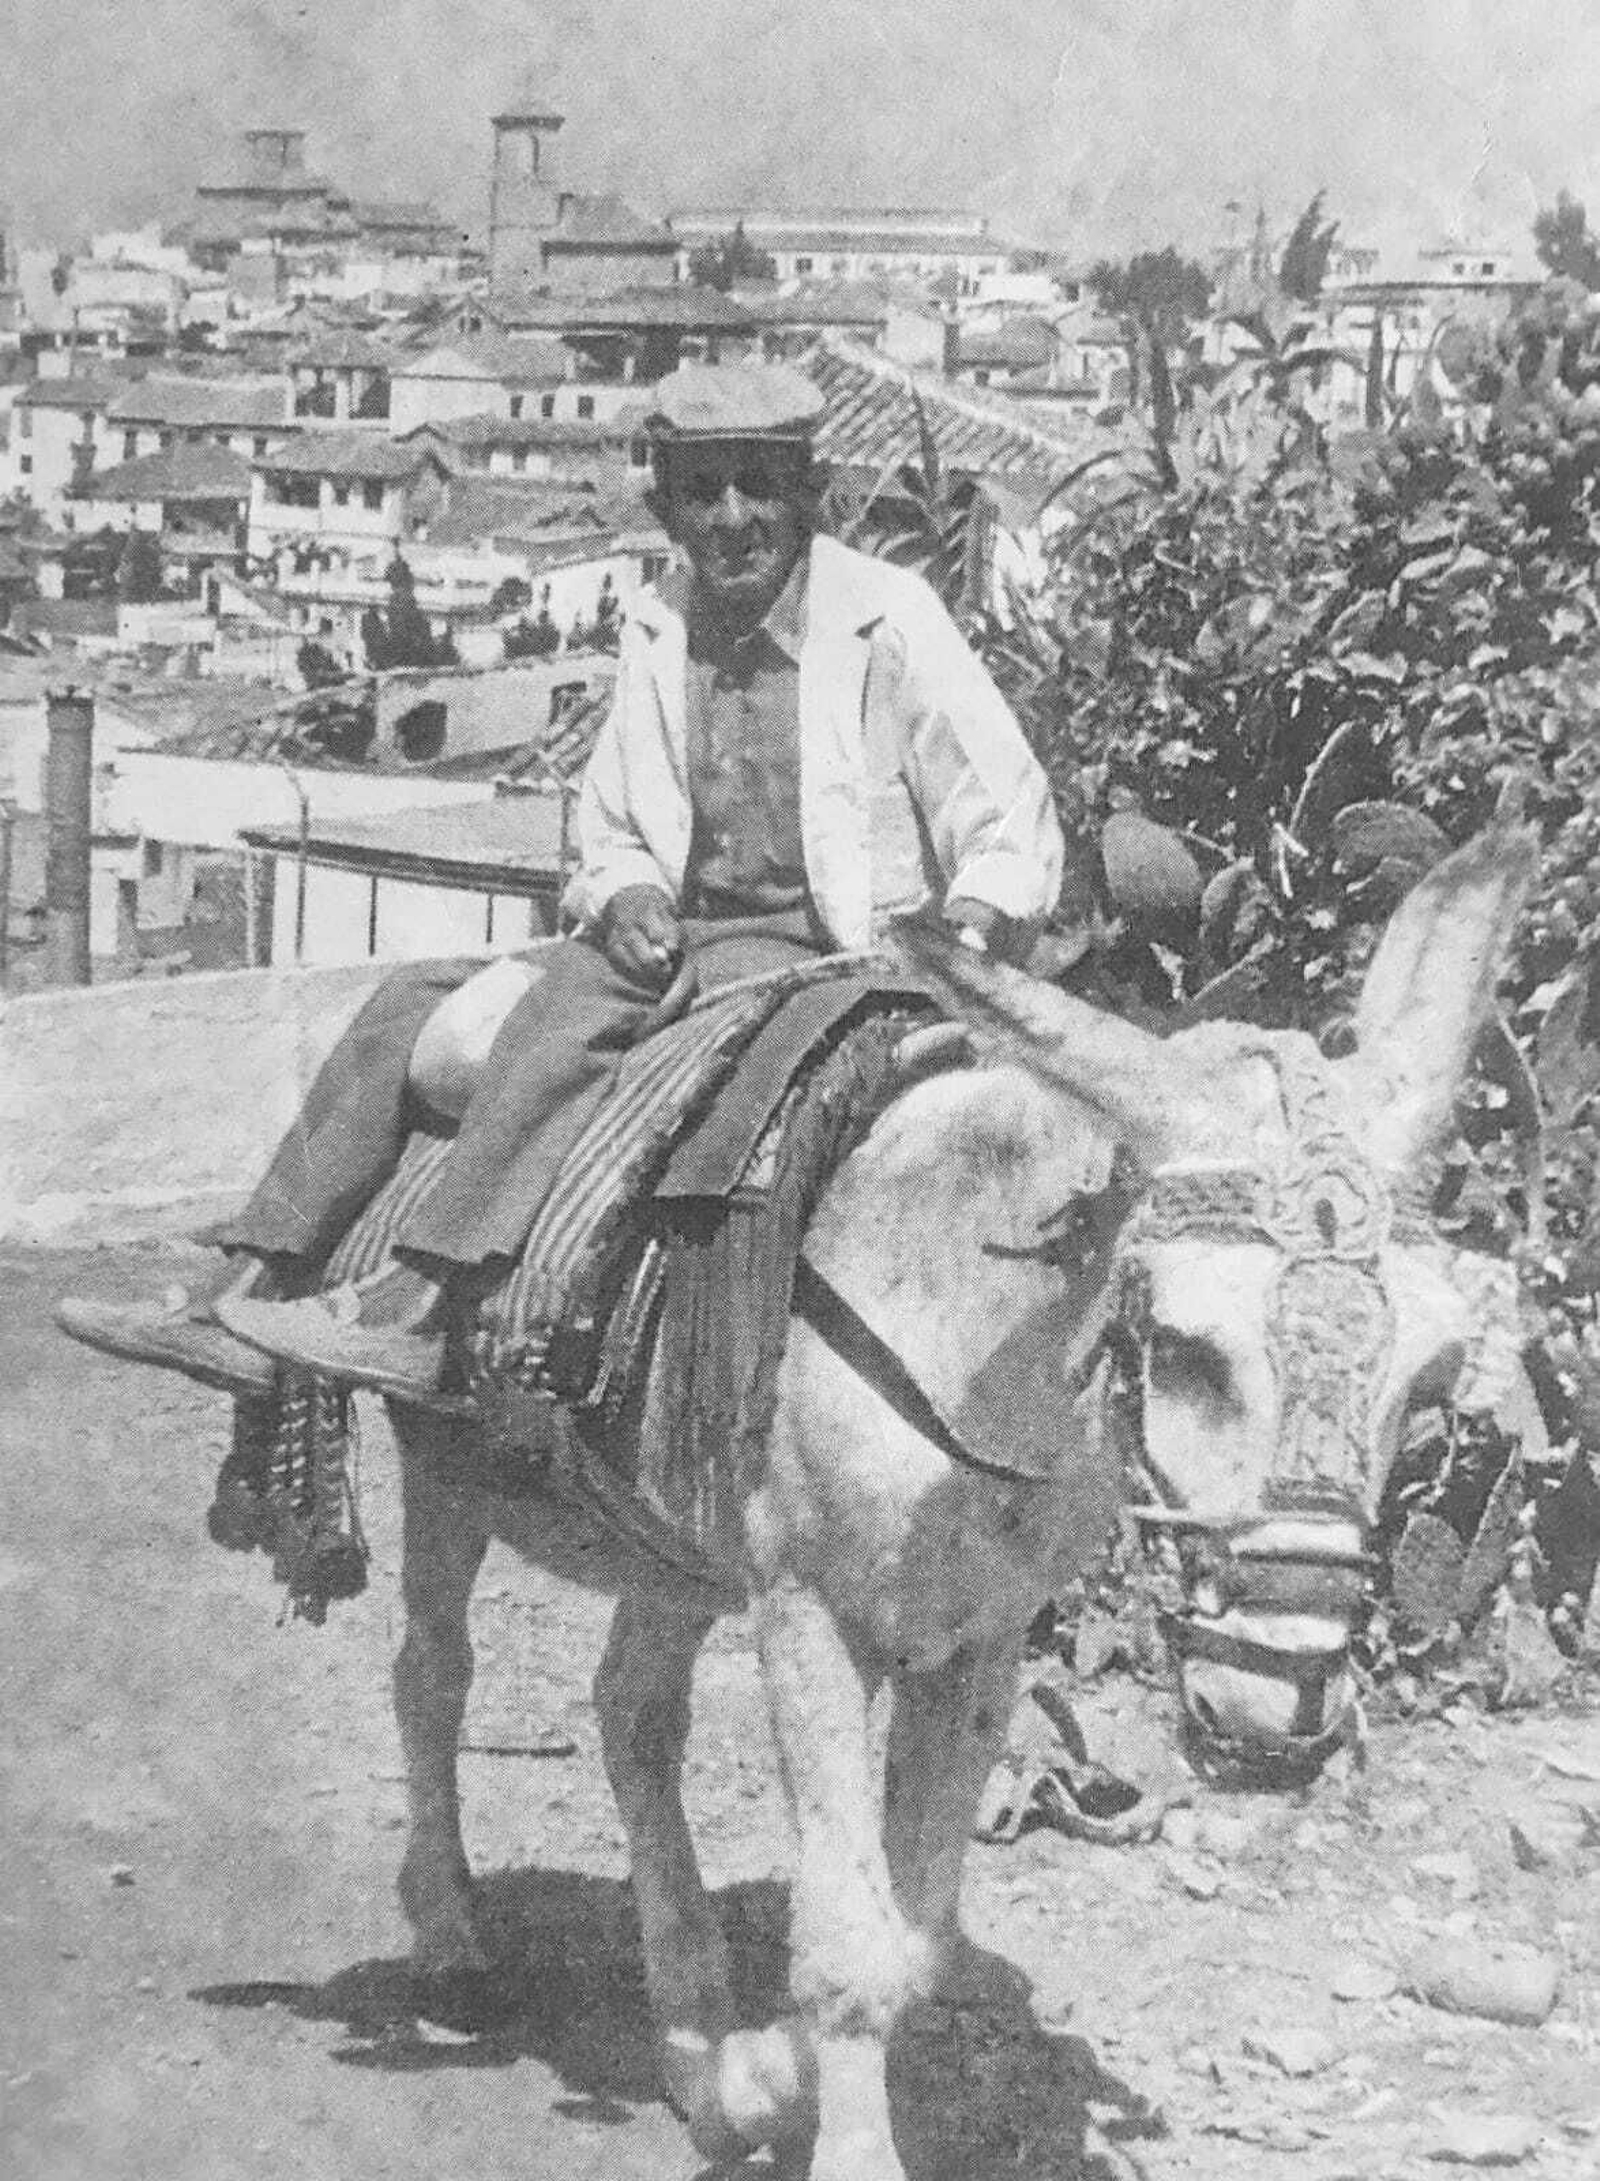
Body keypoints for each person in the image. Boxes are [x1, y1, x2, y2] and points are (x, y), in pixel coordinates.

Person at [58, 361, 1065, 1406]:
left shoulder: (887, 620)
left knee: (574, 1005)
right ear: (664, 507)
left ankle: (424, 1304)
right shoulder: (659, 623)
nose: (730, 519)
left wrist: (971, 928)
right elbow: (614, 823)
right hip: (688, 931)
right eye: (700, 490)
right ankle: (246, 1281)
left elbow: (1004, 805)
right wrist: (625, 892)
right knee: (413, 1002)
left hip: (835, 949)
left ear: (806, 494)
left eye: (755, 485)